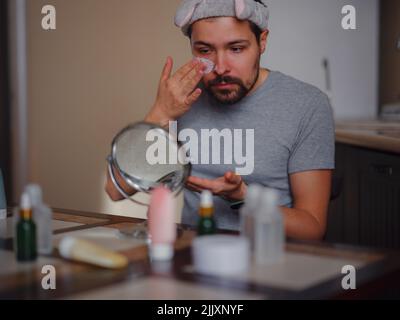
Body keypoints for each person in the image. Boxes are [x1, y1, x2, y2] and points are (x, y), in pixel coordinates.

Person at [105, 0, 335, 241]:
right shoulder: (183, 99)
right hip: (193, 256)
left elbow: (312, 228)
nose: (221, 67)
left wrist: (242, 198)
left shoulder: (306, 105)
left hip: (271, 259)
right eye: (205, 51)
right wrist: (160, 113)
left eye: (236, 49)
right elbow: (116, 189)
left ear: (262, 41)